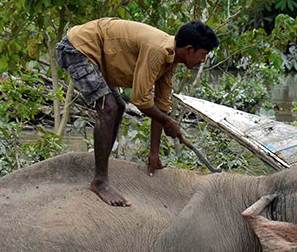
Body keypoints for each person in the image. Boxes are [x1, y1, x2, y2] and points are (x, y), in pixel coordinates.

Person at [55, 19, 219, 206]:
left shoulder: (170, 60)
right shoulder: (157, 50)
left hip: (98, 56)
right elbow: (140, 99)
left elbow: (161, 104)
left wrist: (154, 153)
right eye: (203, 54)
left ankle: (103, 169)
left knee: (119, 107)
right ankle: (100, 181)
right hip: (78, 48)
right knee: (109, 108)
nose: (203, 60)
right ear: (189, 50)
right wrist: (167, 122)